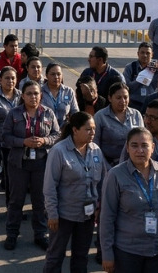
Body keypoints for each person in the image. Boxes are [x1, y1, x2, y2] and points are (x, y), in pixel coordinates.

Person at [99, 128, 158, 273]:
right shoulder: (116, 175)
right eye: (134, 145)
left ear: (153, 147)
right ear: (127, 147)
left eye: (144, 145)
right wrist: (107, 254)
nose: (140, 150)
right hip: (127, 252)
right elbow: (107, 218)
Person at [43, 111, 106, 273]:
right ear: (75, 130)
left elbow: (102, 183)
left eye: (94, 129)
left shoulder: (96, 151)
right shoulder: (59, 151)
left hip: (88, 215)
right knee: (55, 256)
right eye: (88, 129)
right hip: (63, 215)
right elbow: (50, 186)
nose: (93, 133)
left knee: (81, 256)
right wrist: (52, 214)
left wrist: (100, 207)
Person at [1, 80, 61, 251]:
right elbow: (5, 136)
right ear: (23, 96)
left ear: (40, 95)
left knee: (39, 201)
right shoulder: (14, 113)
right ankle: (12, 234)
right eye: (29, 93)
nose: (33, 97)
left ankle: (40, 234)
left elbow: (57, 135)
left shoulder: (48, 113)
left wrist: (44, 140)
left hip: (41, 163)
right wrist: (23, 142)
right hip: (18, 163)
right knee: (16, 200)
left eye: (36, 93)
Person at [0, 66, 21, 223]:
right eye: (7, 78)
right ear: (0, 80)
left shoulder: (21, 96)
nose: (10, 81)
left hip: (16, 145)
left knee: (12, 180)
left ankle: (11, 209)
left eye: (13, 78)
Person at [94, 82, 144, 166]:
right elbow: (95, 145)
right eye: (118, 98)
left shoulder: (136, 115)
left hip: (132, 164)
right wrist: (106, 167)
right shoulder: (100, 116)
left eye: (125, 97)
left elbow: (142, 140)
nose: (123, 101)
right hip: (108, 164)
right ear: (110, 98)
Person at [123, 42, 158, 110]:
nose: (145, 55)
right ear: (138, 54)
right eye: (142, 52)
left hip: (152, 104)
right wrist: (141, 80)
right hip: (134, 104)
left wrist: (155, 72)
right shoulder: (130, 67)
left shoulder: (157, 68)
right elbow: (126, 87)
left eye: (148, 53)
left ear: (152, 55)